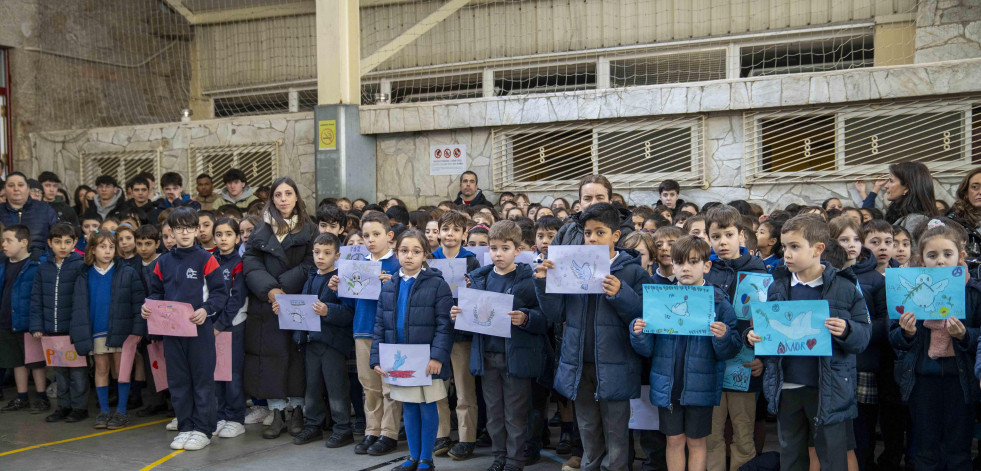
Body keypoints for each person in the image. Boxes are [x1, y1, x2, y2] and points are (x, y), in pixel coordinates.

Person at [746, 214, 871, 471]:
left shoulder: (845, 288)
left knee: (832, 458)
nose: (786, 254)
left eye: (795, 247)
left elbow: (863, 336)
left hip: (828, 389)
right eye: (784, 247)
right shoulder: (777, 287)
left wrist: (847, 330)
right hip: (787, 387)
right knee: (791, 455)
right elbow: (769, 334)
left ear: (818, 249)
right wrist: (754, 338)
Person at [534, 202, 651, 471]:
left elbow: (644, 317)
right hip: (579, 363)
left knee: (616, 431)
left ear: (616, 236)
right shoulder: (571, 267)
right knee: (587, 428)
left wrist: (621, 293)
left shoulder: (633, 272)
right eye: (588, 233)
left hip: (615, 365)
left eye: (600, 233)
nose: (592, 239)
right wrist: (543, 280)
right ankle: (589, 466)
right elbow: (555, 314)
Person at [631, 235, 740, 471]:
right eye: (680, 262)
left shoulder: (719, 303)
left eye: (693, 262)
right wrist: (638, 332)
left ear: (707, 265)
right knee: (674, 440)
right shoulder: (659, 300)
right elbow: (646, 349)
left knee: (697, 441)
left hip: (701, 386)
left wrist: (723, 337)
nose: (686, 268)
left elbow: (731, 349)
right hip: (667, 384)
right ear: (672, 264)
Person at [452, 220, 548, 471]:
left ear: (517, 250)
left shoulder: (530, 279)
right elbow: (470, 322)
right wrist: (459, 315)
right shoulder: (479, 279)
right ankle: (499, 457)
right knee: (494, 414)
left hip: (515, 358)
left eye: (505, 248)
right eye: (493, 248)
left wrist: (526, 318)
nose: (498, 254)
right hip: (487, 356)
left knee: (515, 414)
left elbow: (546, 317)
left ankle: (515, 461)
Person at [894, 219, 980, 470]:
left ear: (960, 255)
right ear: (921, 259)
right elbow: (894, 338)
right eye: (932, 255)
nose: (940, 261)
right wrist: (906, 333)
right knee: (923, 445)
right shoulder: (905, 291)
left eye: (947, 254)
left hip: (960, 380)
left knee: (958, 446)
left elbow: (979, 337)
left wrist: (965, 334)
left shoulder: (974, 292)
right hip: (922, 378)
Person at [143, 207, 229, 451]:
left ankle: (203, 430)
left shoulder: (206, 259)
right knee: (178, 382)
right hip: (172, 332)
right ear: (170, 231)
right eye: (177, 228)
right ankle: (186, 427)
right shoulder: (163, 262)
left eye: (188, 228)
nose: (183, 233)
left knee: (202, 382)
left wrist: (206, 310)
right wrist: (148, 308)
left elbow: (221, 292)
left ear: (196, 230)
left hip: (199, 330)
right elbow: (156, 293)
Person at [370, 229, 454, 471]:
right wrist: (376, 358)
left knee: (427, 406)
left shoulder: (437, 284)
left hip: (426, 359)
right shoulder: (389, 286)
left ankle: (426, 458)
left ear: (425, 254)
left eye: (416, 251)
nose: (409, 256)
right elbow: (380, 324)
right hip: (400, 360)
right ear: (396, 253)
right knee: (408, 406)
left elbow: (444, 324)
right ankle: (413, 456)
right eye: (404, 251)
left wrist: (438, 356)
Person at [243, 177, 315, 439]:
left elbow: (312, 263)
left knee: (296, 358)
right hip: (268, 305)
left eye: (288, 193)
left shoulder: (310, 228)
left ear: (296, 197)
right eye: (278, 195)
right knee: (270, 359)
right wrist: (272, 291)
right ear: (271, 199)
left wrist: (284, 290)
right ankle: (277, 412)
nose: (283, 199)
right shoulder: (260, 230)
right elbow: (251, 264)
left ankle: (296, 410)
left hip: (297, 303)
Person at [330, 211, 403, 456]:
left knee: (389, 385)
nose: (370, 240)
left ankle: (389, 433)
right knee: (369, 385)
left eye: (376, 234)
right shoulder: (357, 265)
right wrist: (338, 289)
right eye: (365, 235)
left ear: (389, 236)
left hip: (390, 333)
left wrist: (390, 285)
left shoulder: (398, 264)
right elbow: (351, 303)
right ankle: (372, 431)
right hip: (363, 329)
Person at [702, 206, 767, 471]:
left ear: (741, 235)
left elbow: (767, 321)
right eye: (715, 236)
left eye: (729, 234)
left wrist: (763, 358)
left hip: (746, 366)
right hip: (711, 366)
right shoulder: (706, 270)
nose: (722, 242)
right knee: (711, 435)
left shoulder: (760, 271)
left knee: (743, 433)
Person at [829, 216, 888, 471]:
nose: (851, 245)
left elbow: (885, 320)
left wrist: (857, 331)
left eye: (855, 239)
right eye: (844, 239)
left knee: (862, 423)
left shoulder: (874, 279)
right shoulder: (826, 277)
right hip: (835, 363)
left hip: (865, 363)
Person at [71, 230, 146, 430]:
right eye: (102, 247)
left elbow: (138, 302)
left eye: (111, 247)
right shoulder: (84, 274)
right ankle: (104, 411)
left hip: (122, 330)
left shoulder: (127, 272)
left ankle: (121, 411)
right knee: (101, 369)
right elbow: (78, 305)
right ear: (93, 250)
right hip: (96, 330)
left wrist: (138, 329)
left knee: (122, 372)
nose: (107, 251)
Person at [287, 232, 356, 448]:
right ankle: (313, 426)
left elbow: (348, 313)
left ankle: (343, 428)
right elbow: (301, 308)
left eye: (327, 253)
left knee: (336, 388)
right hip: (311, 342)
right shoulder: (312, 277)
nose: (320, 257)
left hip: (332, 343)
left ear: (337, 255)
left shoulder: (340, 279)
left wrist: (328, 310)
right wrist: (285, 309)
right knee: (312, 387)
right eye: (317, 252)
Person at [430, 211, 481, 459]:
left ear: (464, 234)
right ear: (438, 232)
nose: (450, 234)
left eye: (455, 229)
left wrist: (473, 288)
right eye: (445, 229)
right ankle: (442, 434)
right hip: (437, 331)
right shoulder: (430, 258)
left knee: (464, 388)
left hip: (462, 332)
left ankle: (466, 436)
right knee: (438, 386)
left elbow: (481, 297)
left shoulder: (471, 261)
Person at [30, 223, 88, 423]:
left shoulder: (80, 265)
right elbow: (36, 297)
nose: (62, 246)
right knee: (60, 372)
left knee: (78, 373)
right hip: (52, 331)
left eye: (67, 242)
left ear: (74, 243)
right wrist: (37, 325)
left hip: (73, 330)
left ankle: (79, 407)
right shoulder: (43, 268)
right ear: (49, 243)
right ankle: (63, 406)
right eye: (57, 242)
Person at [0, 225, 46, 413]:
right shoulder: (3, 265)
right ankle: (22, 397)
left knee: (35, 362)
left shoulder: (35, 266)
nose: (3, 244)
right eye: (3, 240)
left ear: (24, 242)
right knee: (16, 361)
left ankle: (42, 397)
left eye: (8, 240)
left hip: (28, 323)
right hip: (6, 322)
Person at [212, 217, 248, 439]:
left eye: (228, 234)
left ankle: (236, 418)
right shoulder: (210, 261)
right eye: (219, 234)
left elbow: (236, 299)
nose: (223, 239)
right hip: (212, 325)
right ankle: (221, 415)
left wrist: (221, 324)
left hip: (232, 325)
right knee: (217, 374)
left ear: (237, 237)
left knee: (232, 374)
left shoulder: (240, 263)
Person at [552, 174, 633, 247]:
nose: (594, 203)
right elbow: (549, 259)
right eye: (587, 198)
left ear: (610, 201)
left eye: (599, 198)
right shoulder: (566, 231)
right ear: (580, 202)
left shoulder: (626, 233)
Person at [0, 173, 59, 259]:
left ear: (28, 188)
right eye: (11, 185)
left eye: (20, 185)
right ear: (5, 189)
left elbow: (57, 237)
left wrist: (46, 259)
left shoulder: (44, 209)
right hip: (5, 264)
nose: (16, 189)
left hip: (38, 263)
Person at [882, 162, 939, 237]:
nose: (886, 186)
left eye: (891, 181)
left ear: (906, 187)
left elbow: (911, 248)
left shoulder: (916, 220)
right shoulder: (895, 213)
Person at [947, 167, 981, 275]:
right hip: (966, 282)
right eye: (975, 187)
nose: (980, 192)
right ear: (965, 192)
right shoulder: (953, 222)